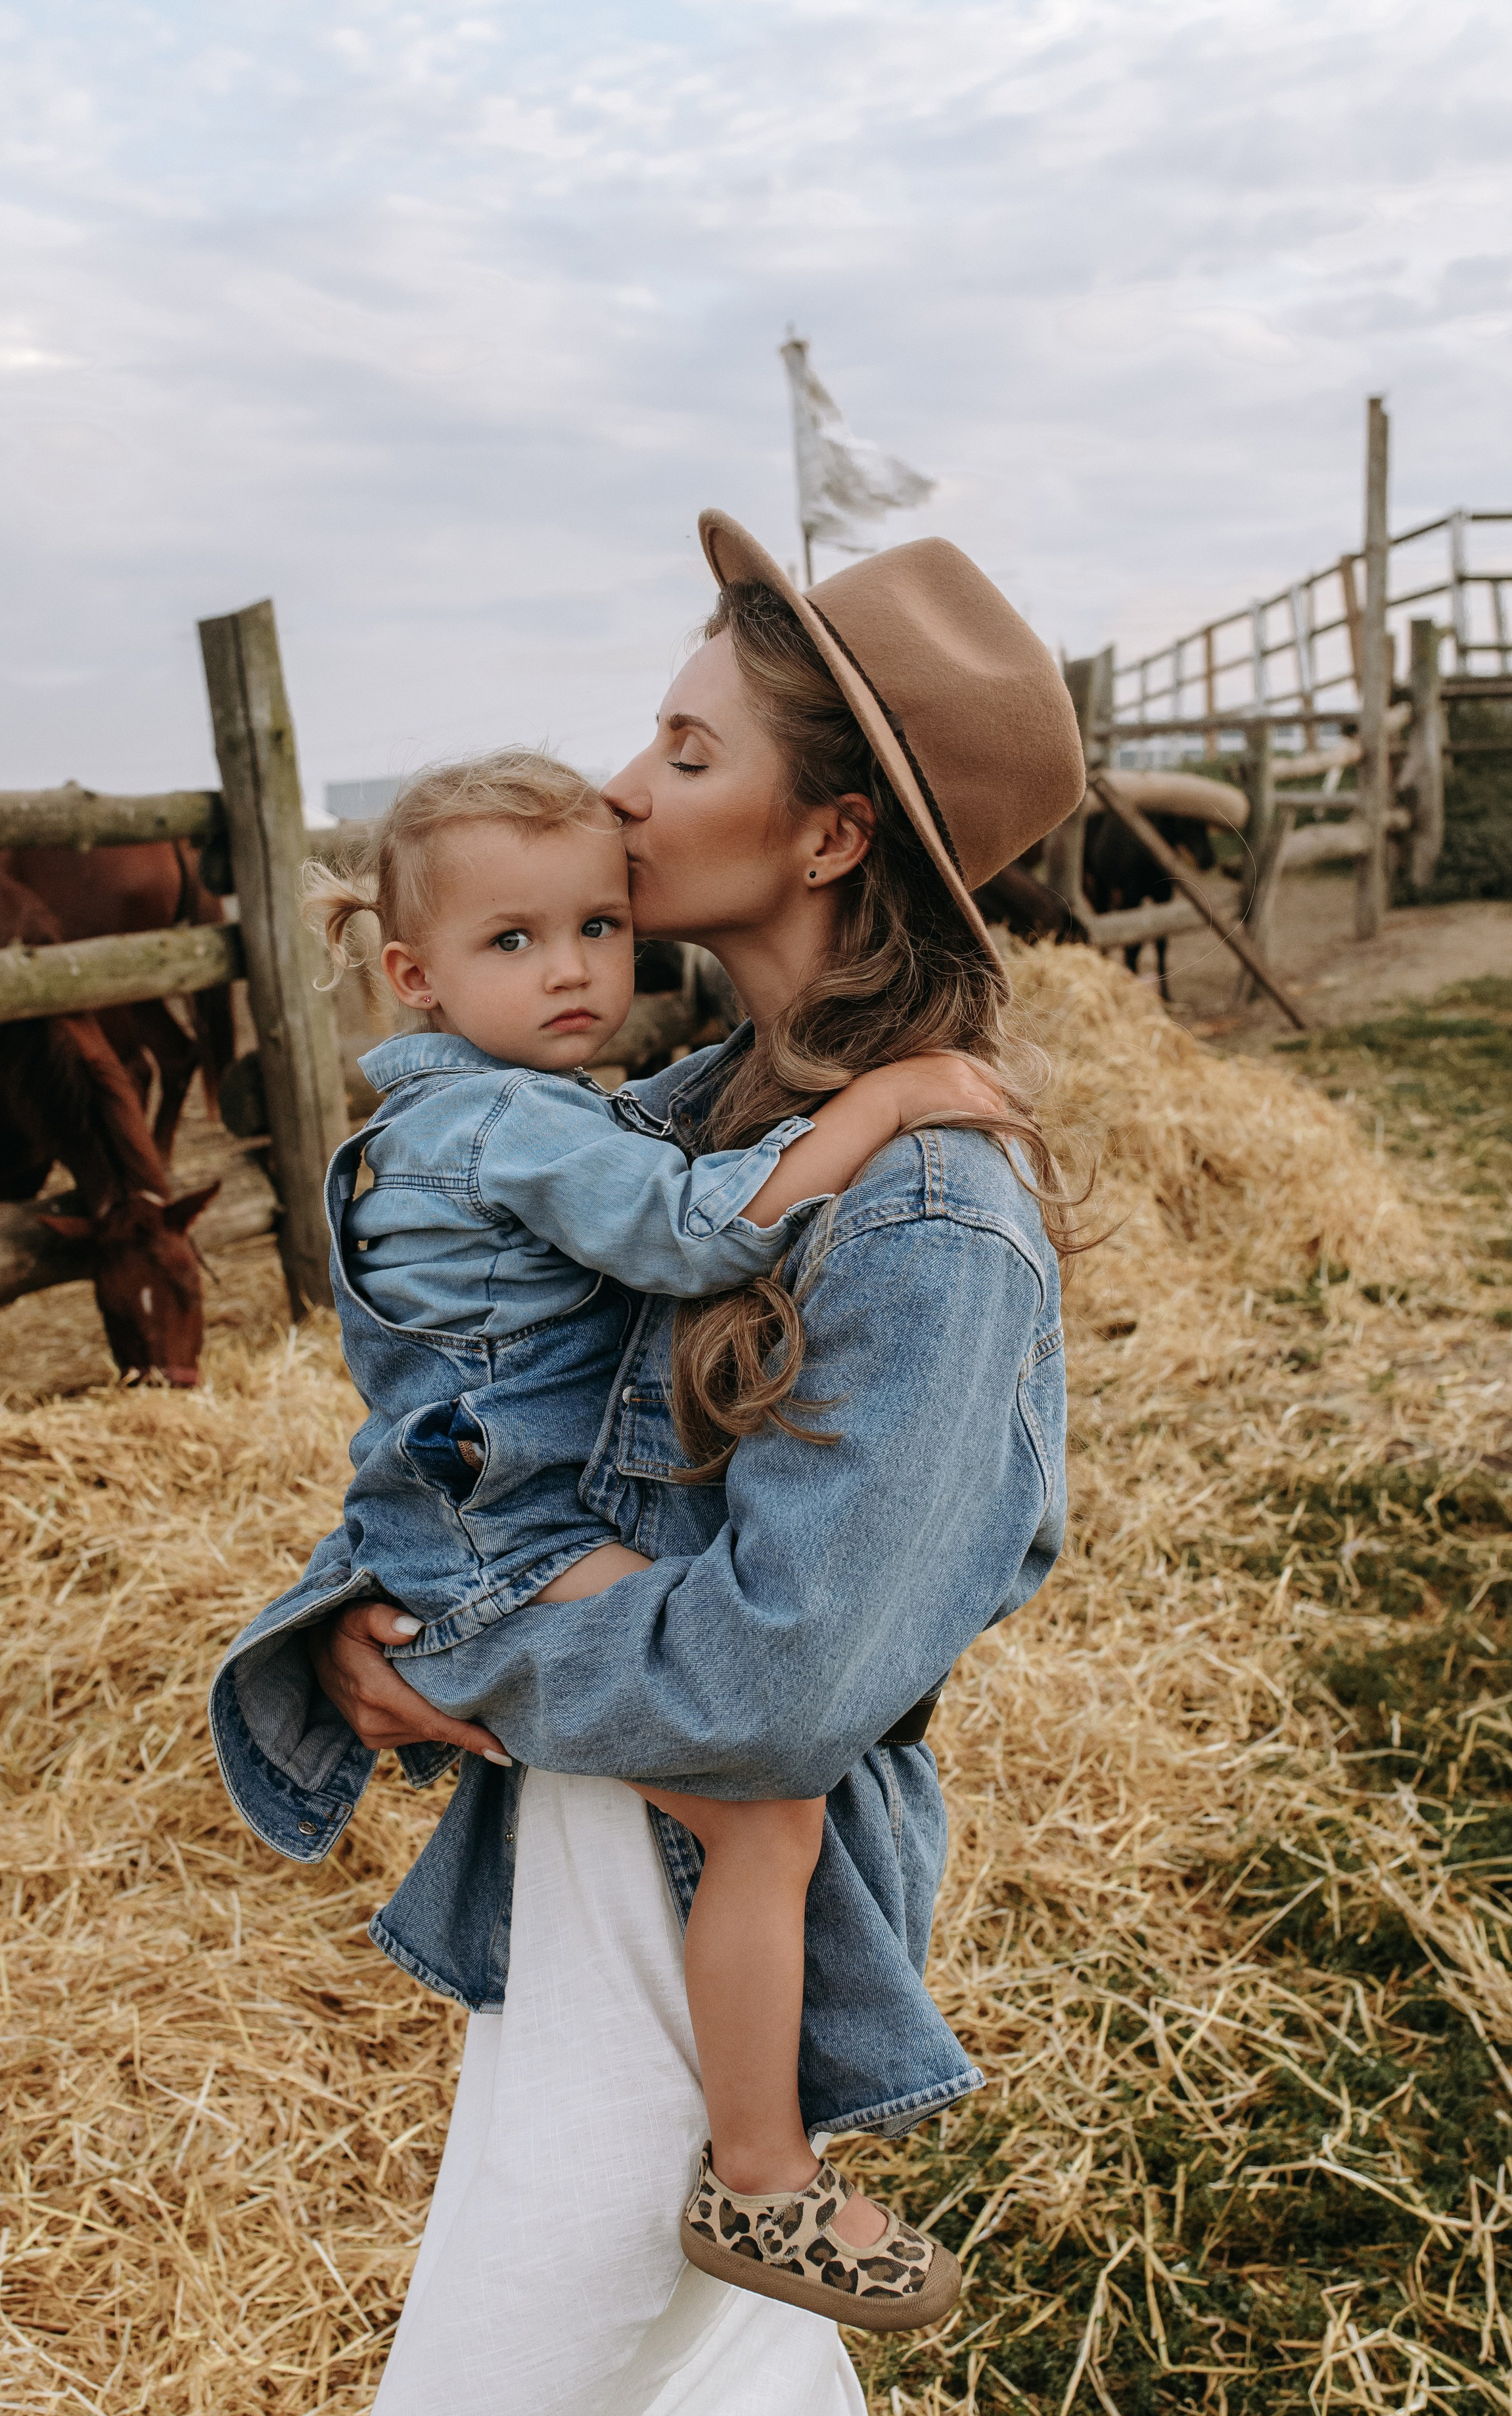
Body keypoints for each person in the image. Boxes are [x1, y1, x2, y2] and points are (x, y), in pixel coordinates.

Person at [208, 509, 1086, 2416]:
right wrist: (362, 1614)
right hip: (608, 1882)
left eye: (690, 753)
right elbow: (476, 1419)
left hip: (687, 1908)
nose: (624, 784)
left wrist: (468, 1671)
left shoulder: (933, 1206)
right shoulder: (672, 1122)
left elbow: (777, 1685)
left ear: (831, 833)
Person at [287, 745, 989, 2325]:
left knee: (757, 1804)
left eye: (597, 929)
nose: (575, 972)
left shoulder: (508, 1111)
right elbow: (690, 1233)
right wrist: (886, 1100)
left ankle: (753, 2157)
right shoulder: (512, 1132)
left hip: (484, 1536)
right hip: (504, 1552)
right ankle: (762, 2183)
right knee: (760, 1810)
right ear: (411, 975)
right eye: (513, 942)